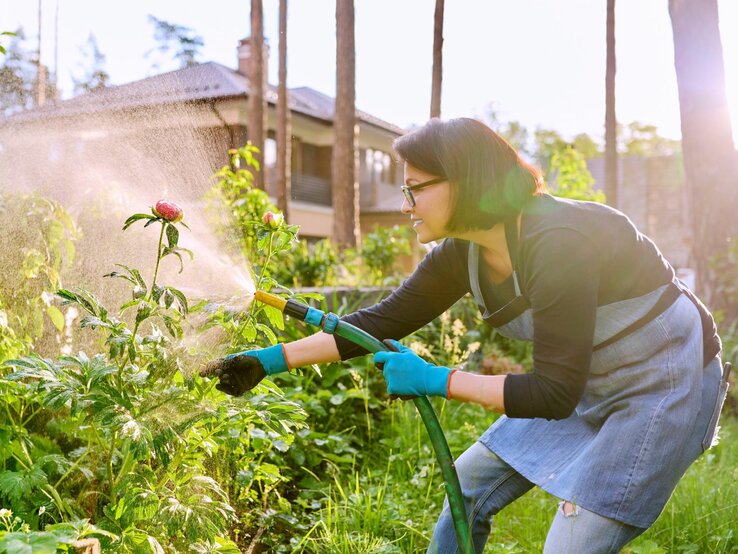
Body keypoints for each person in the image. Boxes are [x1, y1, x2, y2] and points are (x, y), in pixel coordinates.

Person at [205, 118, 727, 553]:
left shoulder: (559, 242)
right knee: (468, 488)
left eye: (416, 188)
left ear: (466, 181)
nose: (406, 204)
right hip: (590, 381)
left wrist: (436, 379)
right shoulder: (462, 253)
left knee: (568, 544)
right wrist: (267, 362)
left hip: (663, 386)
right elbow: (379, 323)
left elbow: (552, 394)